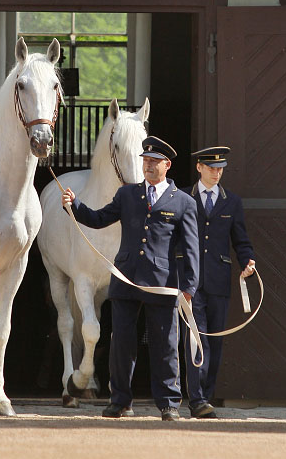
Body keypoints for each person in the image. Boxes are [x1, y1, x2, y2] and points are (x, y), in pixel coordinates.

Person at [62, 135, 199, 421]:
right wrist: (74, 206)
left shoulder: (184, 202)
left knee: (165, 345)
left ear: (167, 165)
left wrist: (189, 286)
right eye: (145, 161)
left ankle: (169, 404)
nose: (147, 166)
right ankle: (120, 400)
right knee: (121, 345)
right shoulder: (127, 195)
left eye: (153, 162)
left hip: (162, 284)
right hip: (125, 280)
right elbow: (99, 219)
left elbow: (190, 249)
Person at [181, 146, 255, 419]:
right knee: (196, 340)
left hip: (219, 281)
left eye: (220, 168)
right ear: (199, 168)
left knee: (216, 341)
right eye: (211, 168)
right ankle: (197, 398)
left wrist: (248, 261)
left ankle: (206, 395)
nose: (217, 172)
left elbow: (241, 240)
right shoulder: (184, 198)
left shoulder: (232, 202)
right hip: (189, 280)